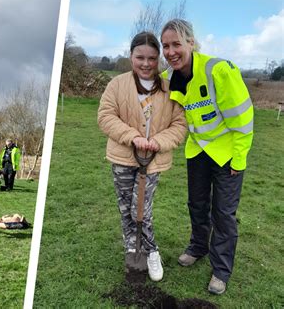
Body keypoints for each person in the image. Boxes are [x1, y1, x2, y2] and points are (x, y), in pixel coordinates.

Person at [160, 19, 254, 295]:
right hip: (198, 151)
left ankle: (221, 270)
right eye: (166, 46)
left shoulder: (218, 71)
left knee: (223, 213)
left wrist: (239, 158)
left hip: (227, 153)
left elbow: (244, 119)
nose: (171, 51)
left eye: (177, 44)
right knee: (197, 205)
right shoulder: (168, 79)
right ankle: (198, 247)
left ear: (191, 42)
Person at [98, 31, 187, 282]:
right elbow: (105, 116)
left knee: (142, 208)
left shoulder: (171, 88)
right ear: (131, 57)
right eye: (140, 58)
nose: (146, 64)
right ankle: (131, 248)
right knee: (126, 207)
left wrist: (157, 142)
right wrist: (132, 137)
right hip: (123, 157)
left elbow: (179, 125)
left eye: (151, 58)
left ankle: (151, 251)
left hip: (153, 160)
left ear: (159, 59)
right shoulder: (117, 85)